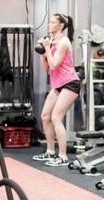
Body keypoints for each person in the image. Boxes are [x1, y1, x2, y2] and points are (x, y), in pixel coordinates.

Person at [32, 14, 80, 167]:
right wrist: (42, 52)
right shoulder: (52, 42)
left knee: (56, 118)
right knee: (45, 116)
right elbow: (46, 66)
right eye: (50, 22)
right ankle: (50, 151)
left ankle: (63, 155)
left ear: (60, 26)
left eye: (52, 22)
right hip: (58, 84)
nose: (49, 24)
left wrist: (47, 47)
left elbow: (54, 65)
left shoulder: (64, 42)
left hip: (70, 83)